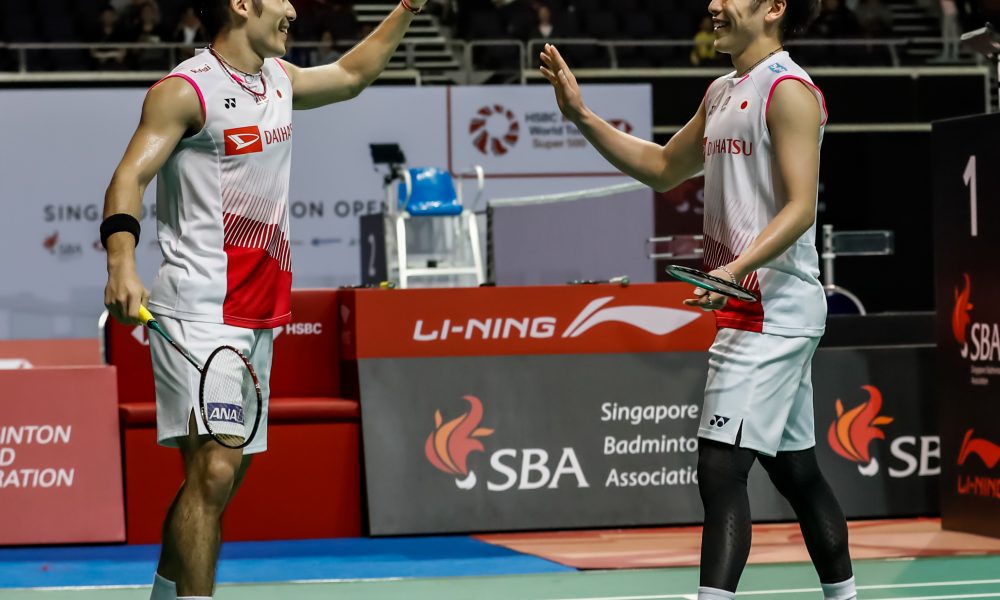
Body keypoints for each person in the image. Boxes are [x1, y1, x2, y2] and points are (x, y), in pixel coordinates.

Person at [99, 0, 428, 598]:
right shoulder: (185, 91)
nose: (293, 9)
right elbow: (129, 177)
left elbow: (352, 74)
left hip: (260, 312)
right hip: (199, 305)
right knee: (215, 471)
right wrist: (122, 263)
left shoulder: (278, 79)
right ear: (241, 5)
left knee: (215, 481)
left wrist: (408, 7)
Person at [540, 0, 857, 597]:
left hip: (771, 308)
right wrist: (581, 115)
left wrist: (734, 269)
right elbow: (663, 167)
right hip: (749, 303)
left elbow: (800, 208)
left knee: (720, 467)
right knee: (796, 470)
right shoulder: (720, 93)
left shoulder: (788, 91)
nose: (713, 3)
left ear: (774, 8)